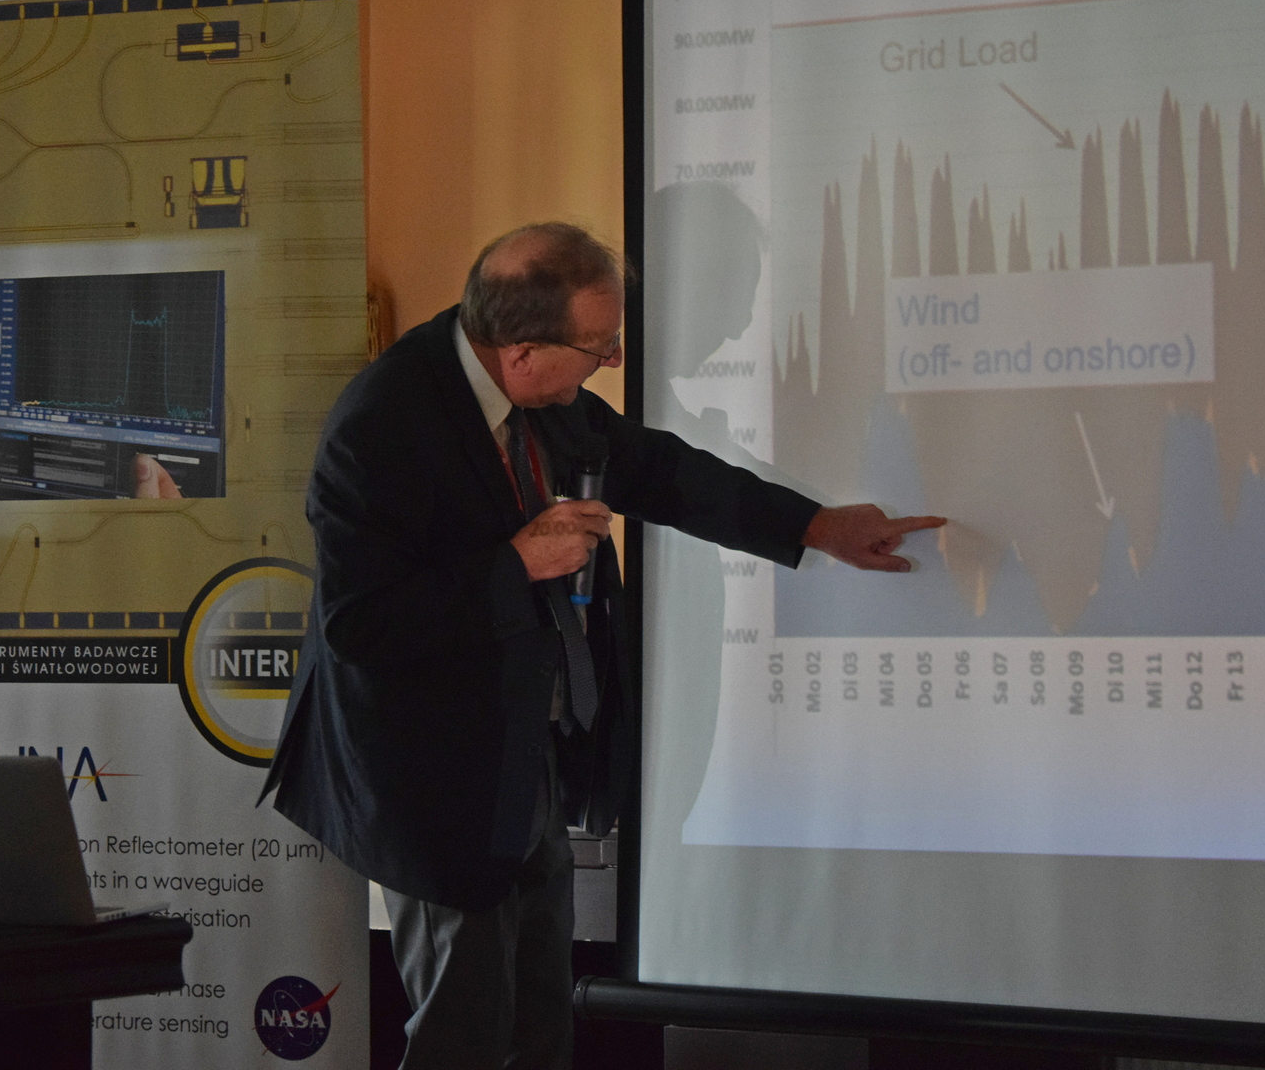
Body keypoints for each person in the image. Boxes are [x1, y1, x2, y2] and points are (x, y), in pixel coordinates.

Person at [258, 222, 944, 1070]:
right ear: (521, 352)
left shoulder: (541, 400)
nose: (612, 361)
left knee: (542, 1022)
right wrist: (515, 564)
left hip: (526, 755)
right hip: (430, 777)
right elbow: (360, 625)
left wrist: (814, 526)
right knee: (463, 1031)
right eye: (598, 346)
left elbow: (660, 471)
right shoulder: (381, 425)